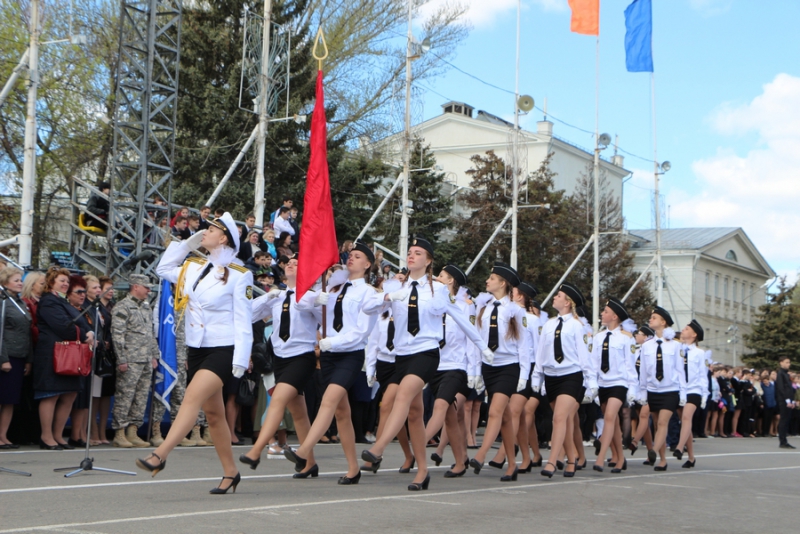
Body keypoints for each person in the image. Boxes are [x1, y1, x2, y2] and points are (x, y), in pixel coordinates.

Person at [140, 213, 253, 495]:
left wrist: (241, 359)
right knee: (213, 416)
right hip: (198, 347)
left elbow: (243, 320)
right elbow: (163, 268)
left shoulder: (241, 275)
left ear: (224, 237)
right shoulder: (193, 266)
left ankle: (160, 455)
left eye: (210, 229)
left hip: (224, 348)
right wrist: (185, 245)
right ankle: (231, 472)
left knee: (191, 397)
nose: (204, 232)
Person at [361, 237, 460, 491]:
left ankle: (378, 448)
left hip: (426, 353)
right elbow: (368, 308)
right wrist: (388, 294)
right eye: (409, 252)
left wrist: (481, 348)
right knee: (415, 415)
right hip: (401, 355)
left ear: (429, 261)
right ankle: (423, 471)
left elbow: (460, 318)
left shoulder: (437, 289)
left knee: (401, 397)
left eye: (418, 253)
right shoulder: (396, 284)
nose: (411, 256)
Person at [284, 240, 379, 485]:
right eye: (350, 254)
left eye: (358, 257)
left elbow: (362, 332)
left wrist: (332, 344)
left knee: (328, 401)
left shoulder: (368, 292)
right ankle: (353, 468)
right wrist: (316, 299)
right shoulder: (333, 286)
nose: (351, 258)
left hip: (349, 354)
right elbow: (300, 302)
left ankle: (303, 452)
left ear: (367, 264)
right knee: (341, 412)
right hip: (328, 355)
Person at [240, 254, 320, 476]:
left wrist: (314, 298)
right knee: (299, 413)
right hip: (280, 359)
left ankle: (256, 451)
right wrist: (267, 298)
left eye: (298, 263)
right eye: (289, 263)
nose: (291, 265)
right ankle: (309, 462)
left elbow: (327, 318)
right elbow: (249, 314)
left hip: (301, 357)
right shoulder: (278, 296)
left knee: (277, 400)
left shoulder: (311, 297)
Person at [421, 264, 488, 478]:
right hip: (436, 365)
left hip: (457, 366)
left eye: (441, 276)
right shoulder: (433, 303)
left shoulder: (464, 306)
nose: (436, 278)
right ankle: (460, 461)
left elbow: (471, 338)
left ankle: (419, 445)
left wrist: (474, 371)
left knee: (441, 406)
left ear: (450, 281)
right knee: (451, 417)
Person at [466, 263, 529, 482]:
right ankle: (512, 464)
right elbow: (477, 341)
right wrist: (474, 370)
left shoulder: (516, 310)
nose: (487, 281)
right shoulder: (484, 307)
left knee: (495, 411)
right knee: (504, 419)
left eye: (492, 278)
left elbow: (524, 345)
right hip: (489, 367)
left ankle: (481, 454)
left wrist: (524, 375)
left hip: (509, 367)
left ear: (503, 283)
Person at [531, 282, 595, 478]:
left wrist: (591, 383)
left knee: (558, 418)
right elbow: (541, 352)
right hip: (551, 377)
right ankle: (572, 460)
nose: (555, 298)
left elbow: (584, 355)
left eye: (559, 296)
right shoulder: (549, 324)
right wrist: (537, 376)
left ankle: (551, 461)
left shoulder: (577, 326)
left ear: (568, 302)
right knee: (564, 421)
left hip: (571, 375)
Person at [34, 268, 95, 449]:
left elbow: (80, 322)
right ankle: (46, 436)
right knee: (50, 395)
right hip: (53, 354)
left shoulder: (63, 301)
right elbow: (63, 326)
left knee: (69, 396)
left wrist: (88, 332)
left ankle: (58, 435)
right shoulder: (48, 302)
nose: (65, 284)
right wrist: (85, 335)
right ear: (51, 282)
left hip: (70, 355)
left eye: (67, 282)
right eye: (61, 281)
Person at [363, 304, 415, 474]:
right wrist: (371, 369)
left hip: (400, 362)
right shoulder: (382, 313)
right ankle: (409, 455)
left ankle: (376, 454)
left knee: (386, 406)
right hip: (383, 363)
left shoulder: (409, 310)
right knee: (395, 414)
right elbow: (374, 342)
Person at [111, 275, 160, 448]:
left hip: (145, 359)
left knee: (140, 397)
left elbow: (150, 333)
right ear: (135, 287)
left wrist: (154, 355)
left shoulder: (145, 307)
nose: (149, 290)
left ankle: (133, 431)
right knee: (125, 396)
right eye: (145, 287)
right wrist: (122, 359)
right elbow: (118, 335)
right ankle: (119, 432)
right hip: (131, 360)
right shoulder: (123, 307)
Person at [589, 298, 637, 474]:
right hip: (603, 383)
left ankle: (601, 457)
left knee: (609, 416)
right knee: (614, 423)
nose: (602, 313)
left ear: (615, 316)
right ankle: (620, 458)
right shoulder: (599, 337)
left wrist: (633, 389)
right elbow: (594, 363)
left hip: (619, 383)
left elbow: (630, 366)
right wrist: (592, 385)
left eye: (606, 311)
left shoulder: (626, 338)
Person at [637, 306, 686, 470]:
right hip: (653, 390)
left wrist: (683, 392)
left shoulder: (675, 345)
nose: (651, 320)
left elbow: (680, 370)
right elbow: (643, 371)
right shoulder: (646, 346)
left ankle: (654, 450)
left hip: (670, 390)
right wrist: (642, 392)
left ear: (663, 322)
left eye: (654, 317)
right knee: (657, 424)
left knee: (663, 422)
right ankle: (662, 460)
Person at [0, 267, 33, 448]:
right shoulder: (2, 301)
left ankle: (3, 436)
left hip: (20, 355)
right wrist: (2, 358)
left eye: (21, 280)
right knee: (1, 398)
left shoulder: (20, 303)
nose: (20, 283)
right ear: (5, 283)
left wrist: (29, 359)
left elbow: (26, 332)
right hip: (6, 356)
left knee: (10, 400)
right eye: (16, 280)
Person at [672, 320, 709, 468]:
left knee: (687, 418)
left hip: (694, 390)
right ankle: (691, 457)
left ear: (694, 334)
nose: (683, 330)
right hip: (680, 390)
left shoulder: (700, 353)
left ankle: (679, 447)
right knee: (683, 421)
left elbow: (703, 375)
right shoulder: (677, 349)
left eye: (686, 329)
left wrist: (704, 395)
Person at [90, 276, 116, 445]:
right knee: (95, 394)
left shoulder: (113, 308)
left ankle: (102, 430)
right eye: (106, 288)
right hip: (97, 355)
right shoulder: (94, 308)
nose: (109, 291)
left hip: (110, 355)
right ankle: (92, 431)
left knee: (106, 394)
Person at [776, 356, 796, 449]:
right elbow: (781, 388)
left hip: (788, 400)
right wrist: (787, 400)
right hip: (784, 400)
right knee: (783, 420)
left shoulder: (786, 374)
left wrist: (792, 400)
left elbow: (789, 389)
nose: (789, 364)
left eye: (789, 362)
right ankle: (782, 441)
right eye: (787, 362)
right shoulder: (780, 374)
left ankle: (784, 440)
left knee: (787, 420)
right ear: (781, 363)